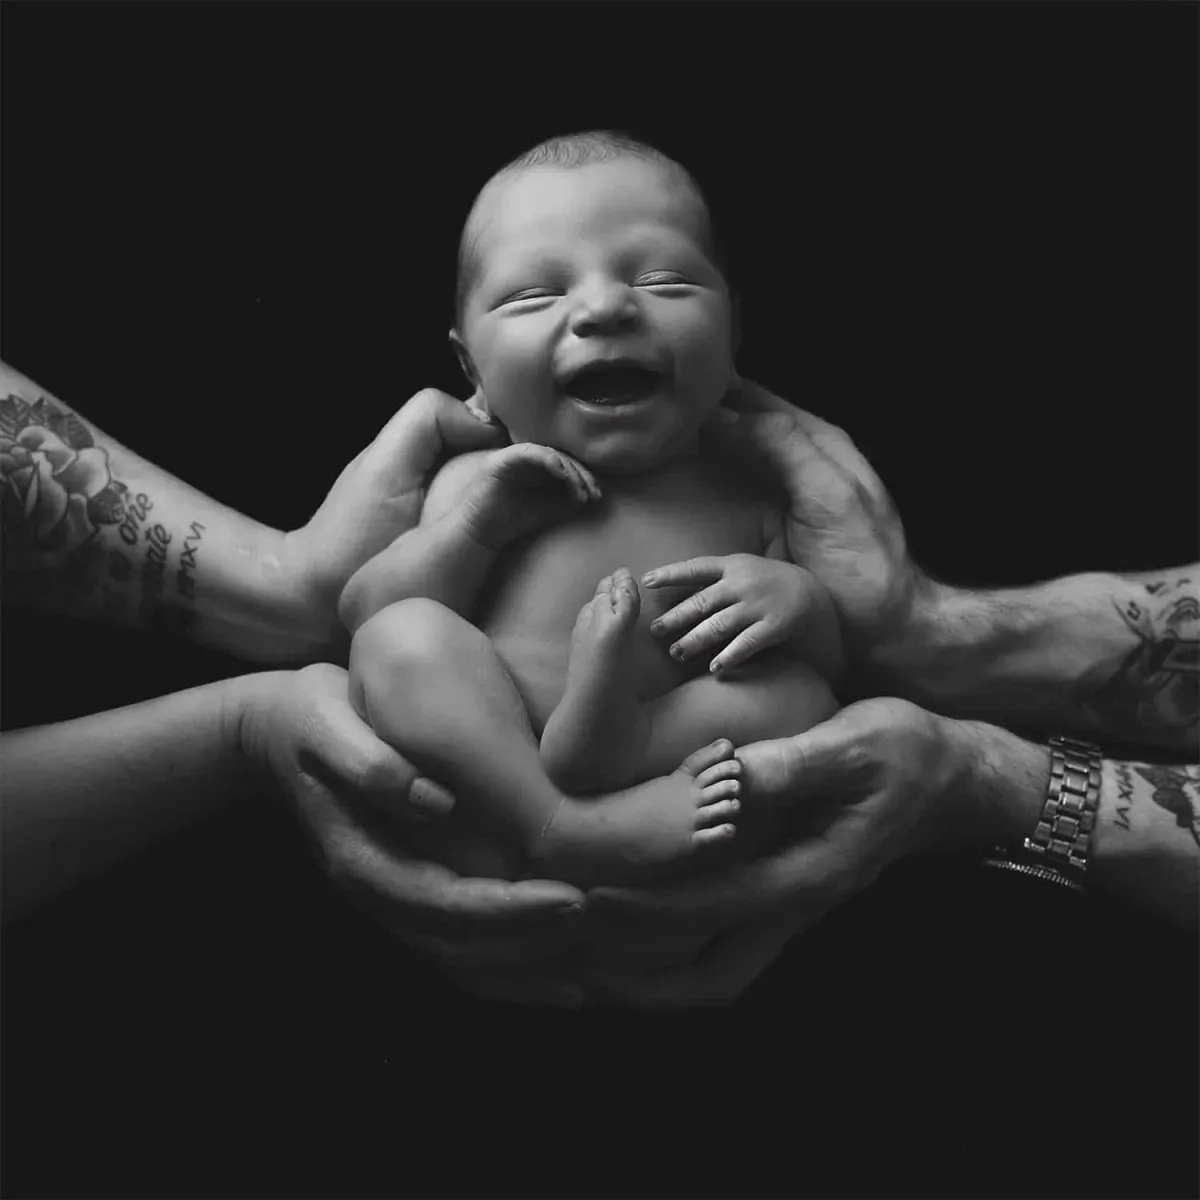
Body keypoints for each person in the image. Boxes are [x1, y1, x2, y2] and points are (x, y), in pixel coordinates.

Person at [339, 130, 843, 888]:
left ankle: (626, 742)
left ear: (734, 333)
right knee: (398, 637)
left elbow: (829, 660)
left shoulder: (753, 490)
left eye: (665, 280)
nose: (606, 307)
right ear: (471, 368)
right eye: (536, 294)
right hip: (491, 804)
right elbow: (362, 617)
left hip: (676, 795)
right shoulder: (479, 482)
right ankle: (559, 823)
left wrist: (796, 600)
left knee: (804, 696)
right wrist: (476, 530)